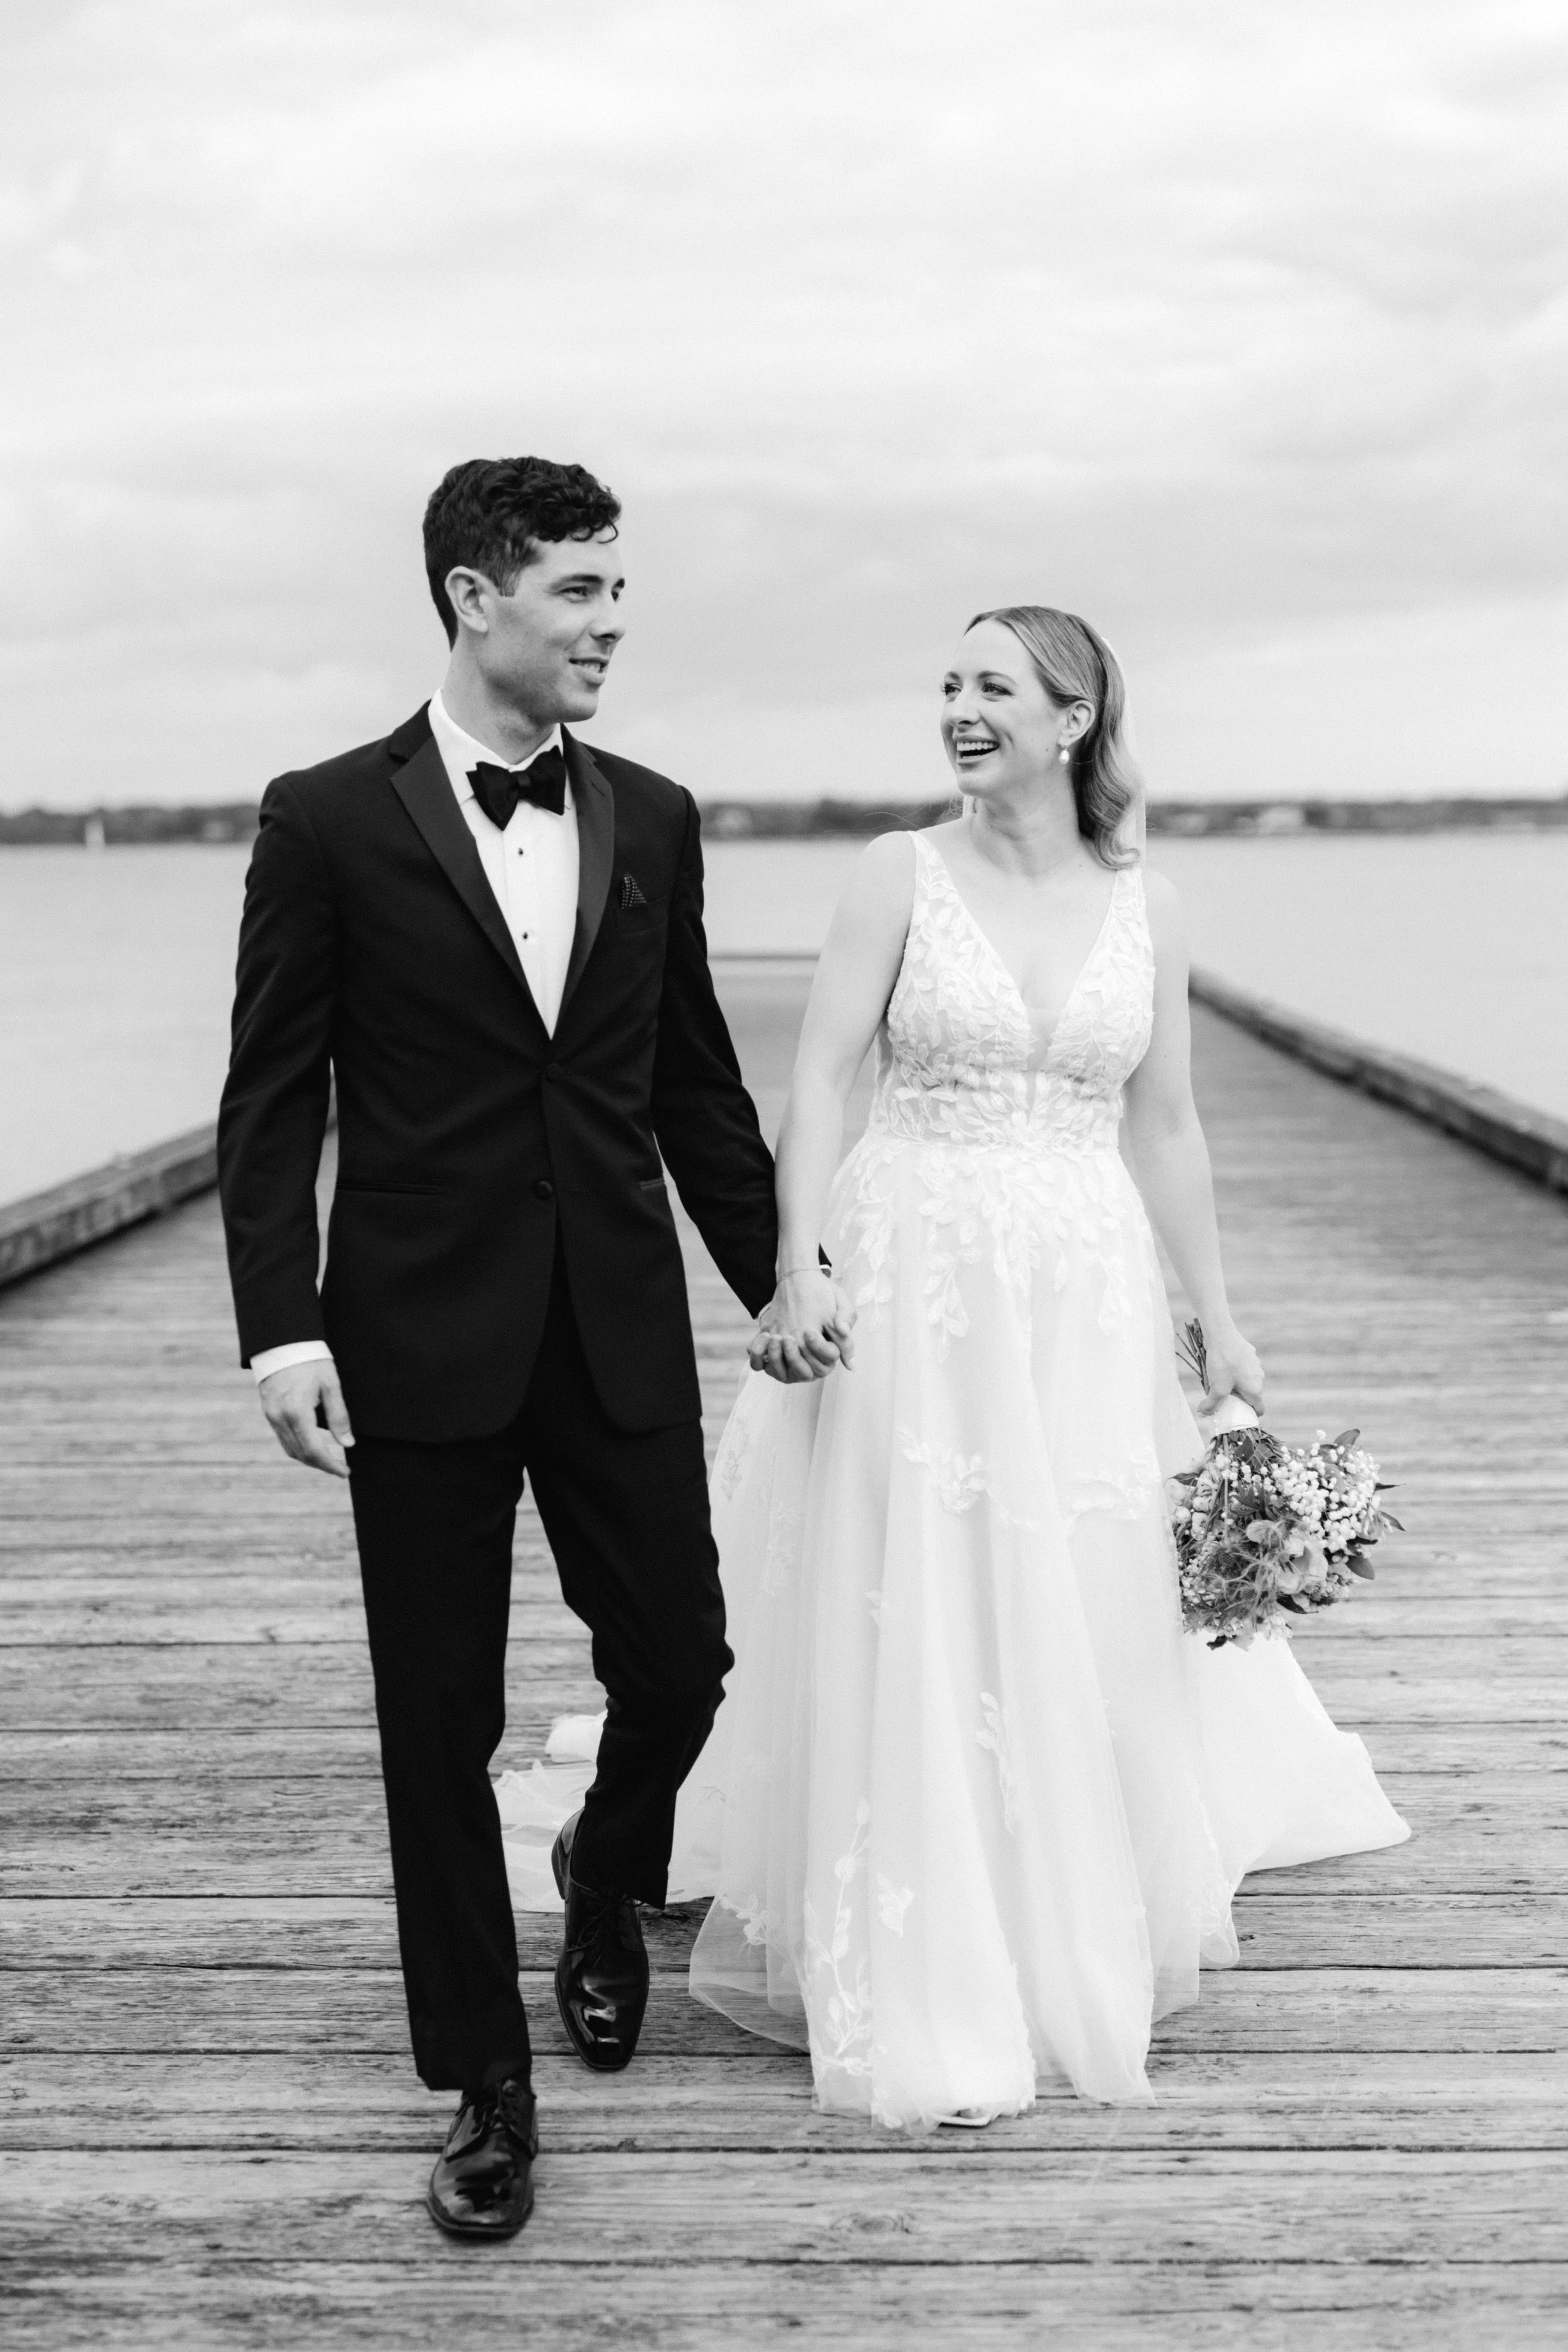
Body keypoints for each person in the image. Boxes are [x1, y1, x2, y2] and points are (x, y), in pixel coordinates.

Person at [668, 605, 1409, 2127]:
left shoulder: (1153, 903)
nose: (956, 707)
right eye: (944, 683)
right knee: (918, 1572)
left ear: (1071, 719)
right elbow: (814, 1078)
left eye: (990, 686)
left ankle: (1053, 1888)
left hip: (1079, 1282)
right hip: (912, 1263)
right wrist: (795, 1261)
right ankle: (917, 1921)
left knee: (1072, 1575)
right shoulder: (896, 874)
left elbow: (1167, 1125)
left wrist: (1213, 1309)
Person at [217, 455, 808, 2238]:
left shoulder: (654, 812)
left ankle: (607, 1868)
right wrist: (280, 1327)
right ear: (475, 597)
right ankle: (485, 2074)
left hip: (615, 1315)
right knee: (437, 1722)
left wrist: (784, 1280)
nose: (611, 622)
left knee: (686, 1657)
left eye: (618, 590)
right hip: (413, 1335)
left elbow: (693, 1085)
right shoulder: (325, 816)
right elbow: (269, 1097)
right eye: (579, 590)